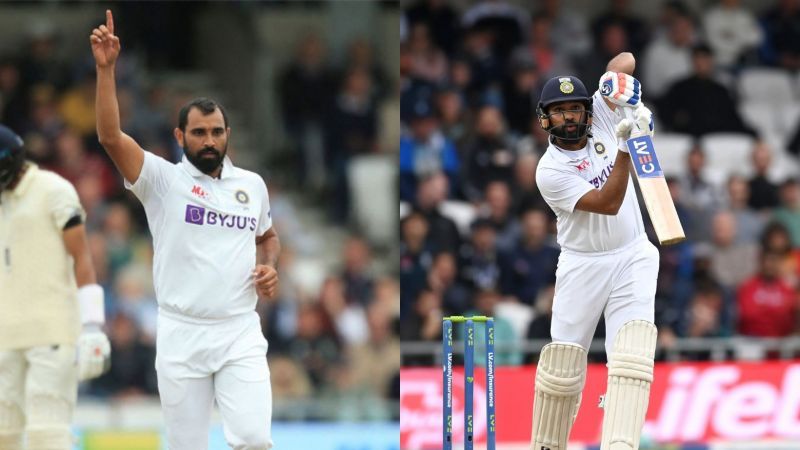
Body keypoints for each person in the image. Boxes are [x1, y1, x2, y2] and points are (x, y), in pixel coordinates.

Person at [90, 10, 281, 450]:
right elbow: (110, 137)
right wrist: (106, 70)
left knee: (254, 439)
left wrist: (269, 266)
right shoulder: (163, 181)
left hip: (239, 329)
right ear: (180, 135)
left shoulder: (251, 185)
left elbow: (267, 237)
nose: (209, 140)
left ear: (228, 134)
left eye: (216, 132)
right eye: (199, 132)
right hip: (181, 331)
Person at [530, 53, 659, 450]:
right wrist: (625, 147)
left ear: (588, 111)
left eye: (575, 108)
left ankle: (621, 445)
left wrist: (612, 82)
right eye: (558, 111)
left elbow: (628, 60)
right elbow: (607, 202)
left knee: (632, 356)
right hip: (582, 265)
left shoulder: (604, 111)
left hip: (633, 253)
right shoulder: (549, 170)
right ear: (545, 119)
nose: (568, 117)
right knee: (563, 368)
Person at [0, 124, 110, 450]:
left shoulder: (53, 190)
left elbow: (82, 257)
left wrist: (92, 326)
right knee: (4, 434)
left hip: (51, 332)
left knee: (47, 433)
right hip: (5, 335)